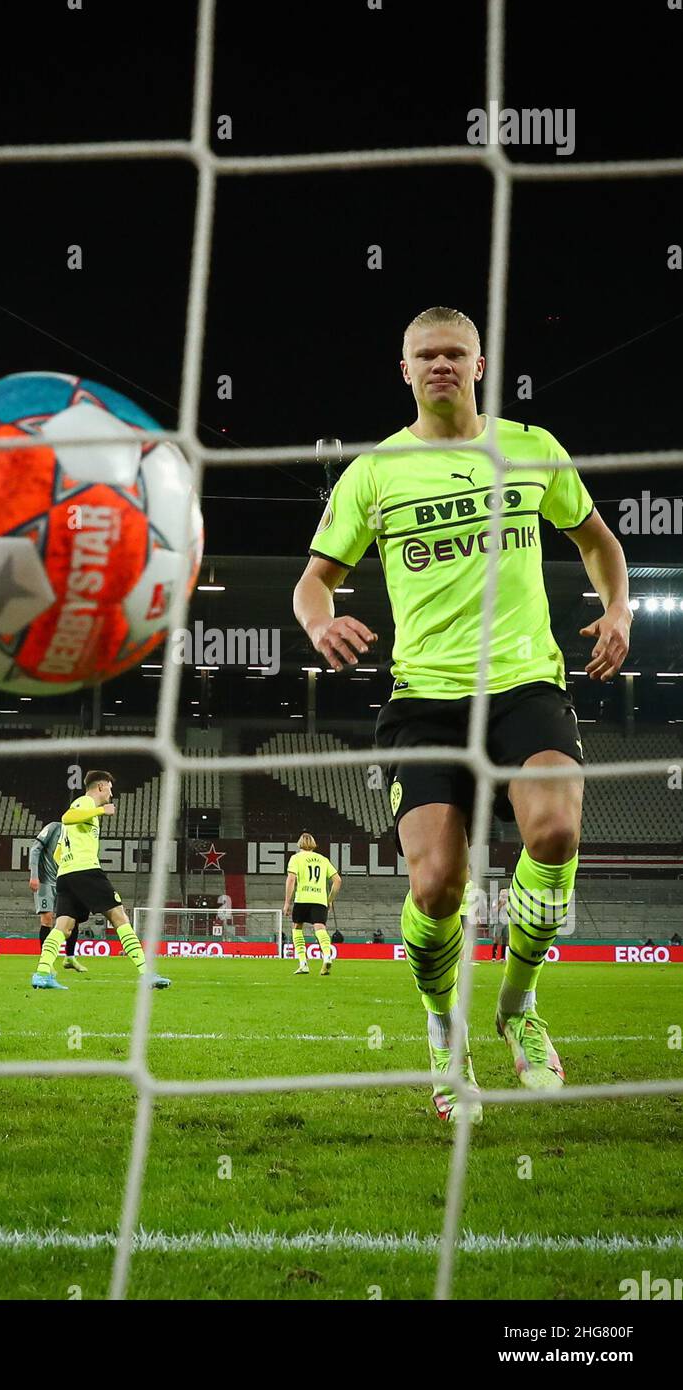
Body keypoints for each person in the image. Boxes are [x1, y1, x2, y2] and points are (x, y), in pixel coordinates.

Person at [294, 305, 631, 1123]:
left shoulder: (532, 447)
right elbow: (314, 580)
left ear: (480, 366)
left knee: (554, 832)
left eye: (455, 353)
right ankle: (447, 1035)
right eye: (425, 355)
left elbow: (597, 541)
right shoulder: (374, 472)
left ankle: (517, 1006)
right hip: (424, 701)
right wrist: (319, 620)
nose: (440, 364)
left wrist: (617, 609)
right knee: (439, 885)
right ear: (403, 370)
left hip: (524, 684)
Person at [31, 771, 171, 991]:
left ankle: (41, 974)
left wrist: (69, 864)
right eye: (110, 788)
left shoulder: (84, 814)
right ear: (100, 787)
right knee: (119, 916)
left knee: (63, 926)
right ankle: (146, 973)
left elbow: (58, 852)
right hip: (86, 871)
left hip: (66, 875)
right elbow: (67, 816)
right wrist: (100, 811)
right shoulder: (85, 802)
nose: (111, 793)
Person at [28, 820, 87, 975]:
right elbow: (35, 849)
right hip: (46, 881)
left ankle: (70, 957)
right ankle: (46, 963)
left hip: (66, 880)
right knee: (47, 919)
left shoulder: (79, 834)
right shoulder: (54, 827)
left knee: (71, 918)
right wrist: (34, 876)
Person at [282, 831, 342, 977]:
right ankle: (327, 956)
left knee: (297, 927)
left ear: (299, 844)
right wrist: (329, 900)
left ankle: (303, 963)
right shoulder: (322, 859)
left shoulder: (296, 858)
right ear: (314, 844)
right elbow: (338, 881)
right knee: (320, 928)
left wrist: (287, 903)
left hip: (303, 898)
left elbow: (291, 880)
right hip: (319, 899)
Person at [490, 887, 510, 961]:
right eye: (502, 892)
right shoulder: (496, 901)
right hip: (498, 922)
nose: (504, 893)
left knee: (505, 939)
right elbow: (494, 911)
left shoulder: (510, 901)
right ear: (500, 893)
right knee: (496, 939)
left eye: (505, 892)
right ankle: (493, 957)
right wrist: (501, 904)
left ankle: (502, 957)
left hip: (507, 922)